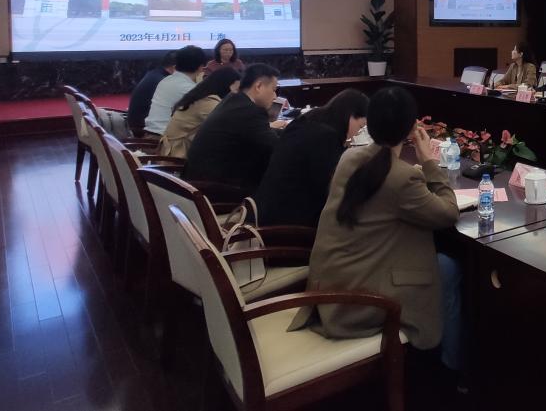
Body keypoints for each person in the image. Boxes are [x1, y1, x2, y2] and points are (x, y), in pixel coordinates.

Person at [288, 86, 462, 373]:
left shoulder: (350, 158)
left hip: (332, 282)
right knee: (449, 268)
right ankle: (451, 369)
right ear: (411, 129)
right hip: (357, 300)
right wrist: (429, 162)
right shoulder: (401, 178)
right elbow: (448, 213)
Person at [254, 89, 370, 227]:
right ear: (350, 116)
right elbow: (330, 186)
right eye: (360, 126)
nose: (357, 133)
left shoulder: (306, 121)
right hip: (288, 222)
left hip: (266, 208)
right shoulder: (326, 137)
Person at [185, 63, 287, 190]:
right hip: (217, 189)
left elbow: (264, 133)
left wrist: (289, 132)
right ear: (259, 86)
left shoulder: (234, 100)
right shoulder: (249, 111)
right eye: (273, 90)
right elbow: (276, 147)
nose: (275, 96)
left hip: (199, 180)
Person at [157, 66, 241, 159]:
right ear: (225, 85)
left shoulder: (200, 96)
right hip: (178, 156)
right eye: (236, 89)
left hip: (173, 152)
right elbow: (229, 127)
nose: (237, 93)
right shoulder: (208, 102)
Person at [143, 45, 206, 136]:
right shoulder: (188, 88)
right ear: (201, 67)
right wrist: (200, 85)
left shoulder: (166, 80)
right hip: (167, 139)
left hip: (151, 134)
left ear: (176, 65)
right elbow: (210, 112)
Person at [128, 50, 177, 133]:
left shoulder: (155, 73)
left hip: (138, 124)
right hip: (145, 130)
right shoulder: (163, 81)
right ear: (175, 67)